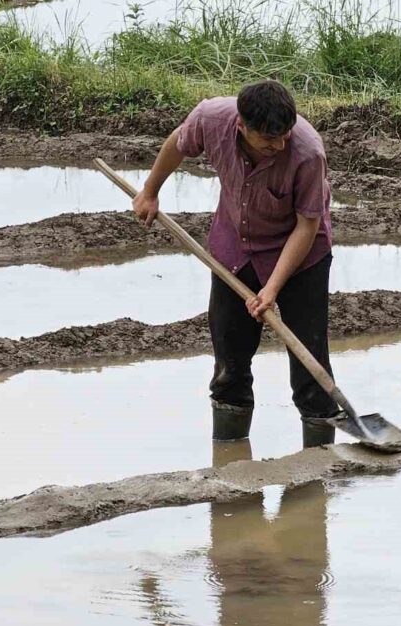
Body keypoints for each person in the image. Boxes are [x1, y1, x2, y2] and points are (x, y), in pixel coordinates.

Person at [132, 79, 338, 448]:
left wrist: (271, 289)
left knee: (310, 363)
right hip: (235, 250)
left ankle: (318, 457)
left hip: (299, 257)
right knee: (230, 359)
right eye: (267, 139)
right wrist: (150, 191)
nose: (278, 146)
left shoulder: (308, 153)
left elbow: (307, 226)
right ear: (241, 126)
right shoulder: (211, 118)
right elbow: (177, 144)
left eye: (283, 136)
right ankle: (229, 456)